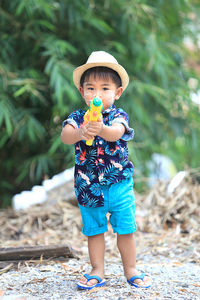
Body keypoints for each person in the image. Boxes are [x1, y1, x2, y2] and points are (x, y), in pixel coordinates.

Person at [61, 51, 151, 290]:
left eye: (104, 89)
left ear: (117, 92)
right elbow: (65, 135)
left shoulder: (117, 115)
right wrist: (81, 132)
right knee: (94, 230)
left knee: (126, 228)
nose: (96, 94)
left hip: (118, 183)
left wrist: (99, 128)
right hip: (88, 184)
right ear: (82, 92)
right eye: (90, 89)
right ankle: (97, 270)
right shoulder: (78, 116)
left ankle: (131, 269)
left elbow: (117, 133)